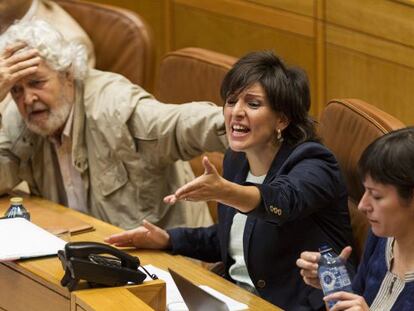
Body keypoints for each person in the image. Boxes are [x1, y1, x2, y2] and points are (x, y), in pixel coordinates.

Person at [105, 51, 355, 310]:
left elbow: (282, 201)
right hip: (235, 299)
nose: (236, 112)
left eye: (253, 104)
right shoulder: (237, 159)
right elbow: (231, 237)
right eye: (231, 101)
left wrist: (226, 192)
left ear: (282, 118)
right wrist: (168, 239)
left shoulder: (314, 162)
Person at [0, 20, 227, 230]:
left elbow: (181, 124)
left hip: (164, 261)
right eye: (16, 89)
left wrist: (245, 124)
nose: (28, 99)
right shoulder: (20, 118)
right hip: (76, 254)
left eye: (37, 83)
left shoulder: (115, 106)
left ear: (67, 74)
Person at [297, 127, 414, 310]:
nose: (362, 205)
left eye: (376, 196)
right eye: (365, 190)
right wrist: (334, 285)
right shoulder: (382, 235)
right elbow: (355, 299)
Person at [0, 0, 95, 114]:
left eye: (36, 82)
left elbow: (15, 120)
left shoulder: (67, 41)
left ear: (68, 74)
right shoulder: (5, 15)